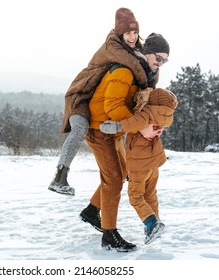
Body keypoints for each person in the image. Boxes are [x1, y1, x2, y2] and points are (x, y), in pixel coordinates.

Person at [48, 7, 157, 196]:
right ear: (119, 32)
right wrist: (147, 81)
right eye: (128, 33)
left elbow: (147, 65)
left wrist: (154, 69)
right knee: (81, 129)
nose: (132, 37)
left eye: (135, 32)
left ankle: (126, 170)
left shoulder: (134, 48)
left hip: (95, 98)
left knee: (120, 127)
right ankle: (59, 177)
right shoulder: (113, 46)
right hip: (80, 97)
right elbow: (136, 66)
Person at [78, 32, 170, 250]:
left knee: (121, 174)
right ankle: (109, 236)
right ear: (146, 52)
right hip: (99, 128)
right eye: (158, 57)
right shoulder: (125, 71)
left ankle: (92, 211)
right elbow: (113, 107)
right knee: (113, 181)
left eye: (165, 60)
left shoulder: (142, 73)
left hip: (113, 130)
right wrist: (139, 125)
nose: (161, 63)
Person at [100, 88, 178, 245]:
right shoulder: (166, 117)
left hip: (140, 164)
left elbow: (131, 124)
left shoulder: (146, 114)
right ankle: (156, 222)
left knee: (135, 196)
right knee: (150, 194)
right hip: (153, 164)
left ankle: (151, 224)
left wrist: (114, 127)